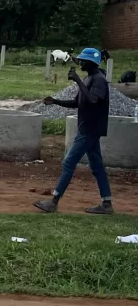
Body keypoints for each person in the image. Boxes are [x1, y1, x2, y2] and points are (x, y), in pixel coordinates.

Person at [34, 48, 113, 215]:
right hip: (89, 128)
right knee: (97, 167)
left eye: (83, 60)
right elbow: (77, 102)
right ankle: (107, 203)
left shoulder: (99, 80)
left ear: (91, 63)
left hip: (89, 130)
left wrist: (78, 81)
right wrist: (56, 101)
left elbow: (92, 100)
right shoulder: (89, 78)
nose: (80, 62)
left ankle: (54, 201)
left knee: (68, 162)